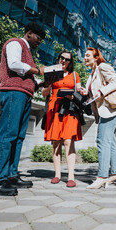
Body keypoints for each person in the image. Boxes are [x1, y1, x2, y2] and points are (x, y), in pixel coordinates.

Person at [0, 22, 50, 196]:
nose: (39, 42)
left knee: (18, 137)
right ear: (29, 33)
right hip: (13, 93)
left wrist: (42, 82)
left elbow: (27, 78)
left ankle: (11, 175)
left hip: (24, 94)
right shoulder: (15, 43)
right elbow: (14, 64)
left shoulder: (29, 53)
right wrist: (38, 71)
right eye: (38, 38)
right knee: (8, 134)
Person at [79, 47, 116, 189]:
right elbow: (93, 92)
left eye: (87, 55)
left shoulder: (102, 67)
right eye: (84, 55)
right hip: (105, 112)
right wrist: (86, 92)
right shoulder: (92, 74)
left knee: (101, 141)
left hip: (111, 110)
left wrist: (100, 91)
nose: (85, 58)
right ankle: (115, 173)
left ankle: (102, 176)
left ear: (96, 57)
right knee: (109, 143)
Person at [42, 50, 82, 188]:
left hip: (70, 109)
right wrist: (47, 83)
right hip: (55, 109)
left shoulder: (74, 75)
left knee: (68, 141)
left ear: (70, 62)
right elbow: (44, 93)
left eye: (67, 59)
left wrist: (77, 93)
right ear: (58, 59)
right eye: (61, 58)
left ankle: (71, 176)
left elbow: (78, 90)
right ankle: (57, 174)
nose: (63, 61)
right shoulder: (52, 72)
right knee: (56, 143)